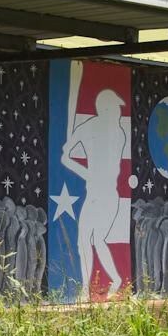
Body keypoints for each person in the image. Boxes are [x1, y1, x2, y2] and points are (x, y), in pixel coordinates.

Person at [61, 86, 132, 297]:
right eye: (114, 108)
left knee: (94, 239)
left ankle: (105, 283)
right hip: (95, 195)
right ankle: (89, 287)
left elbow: (68, 155)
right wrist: (86, 173)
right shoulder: (94, 128)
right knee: (85, 239)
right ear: (105, 109)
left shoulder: (117, 134)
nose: (119, 112)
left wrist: (86, 171)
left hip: (107, 195)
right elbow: (66, 157)